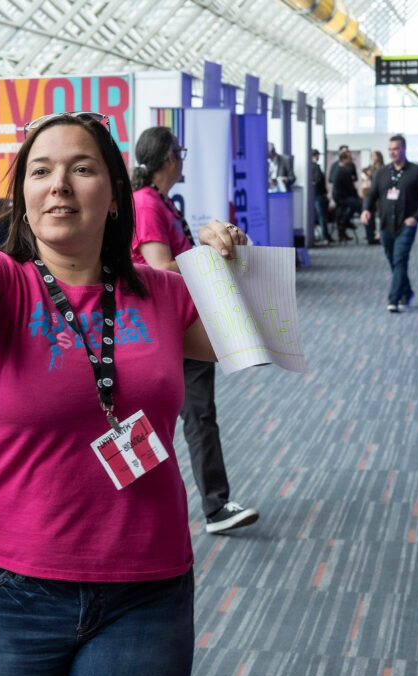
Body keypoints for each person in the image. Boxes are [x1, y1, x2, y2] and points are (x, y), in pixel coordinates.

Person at [0, 112, 249, 676]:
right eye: (40, 171)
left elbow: (251, 333)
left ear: (113, 196)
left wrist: (226, 262)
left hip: (144, 588)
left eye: (81, 168)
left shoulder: (164, 293)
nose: (59, 184)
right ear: (24, 193)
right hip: (8, 585)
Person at [129, 126, 259, 535]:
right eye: (180, 153)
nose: (182, 160)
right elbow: (158, 266)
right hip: (170, 322)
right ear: (169, 159)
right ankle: (215, 507)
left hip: (167, 322)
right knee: (194, 416)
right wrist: (209, 263)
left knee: (165, 416)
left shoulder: (155, 201)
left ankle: (147, 507)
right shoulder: (148, 204)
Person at [362, 134, 418, 313]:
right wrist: (366, 209)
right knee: (394, 261)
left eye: (396, 149)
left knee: (400, 258)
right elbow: (371, 194)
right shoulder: (382, 173)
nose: (393, 152)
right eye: (390, 149)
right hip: (386, 225)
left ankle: (393, 298)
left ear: (404, 149)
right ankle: (407, 292)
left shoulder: (416, 172)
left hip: (406, 225)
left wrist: (415, 217)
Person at [331, 150, 361, 243]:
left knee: (352, 206)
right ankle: (345, 223)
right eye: (349, 158)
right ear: (344, 159)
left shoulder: (338, 168)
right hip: (342, 198)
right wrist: (358, 197)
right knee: (360, 205)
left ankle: (344, 223)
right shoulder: (344, 170)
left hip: (338, 197)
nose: (351, 160)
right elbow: (351, 187)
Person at [309, 149, 332, 244]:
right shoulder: (315, 167)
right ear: (315, 156)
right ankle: (325, 236)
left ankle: (324, 236)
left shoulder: (311, 167)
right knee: (322, 216)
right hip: (318, 195)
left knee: (319, 216)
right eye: (317, 155)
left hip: (316, 195)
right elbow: (318, 180)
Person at [361, 151, 384, 244]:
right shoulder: (371, 167)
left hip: (380, 193)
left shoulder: (382, 167)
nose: (373, 157)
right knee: (372, 213)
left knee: (381, 214)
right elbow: (364, 171)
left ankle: (381, 233)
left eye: (374, 156)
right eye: (372, 156)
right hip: (371, 192)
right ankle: (373, 234)